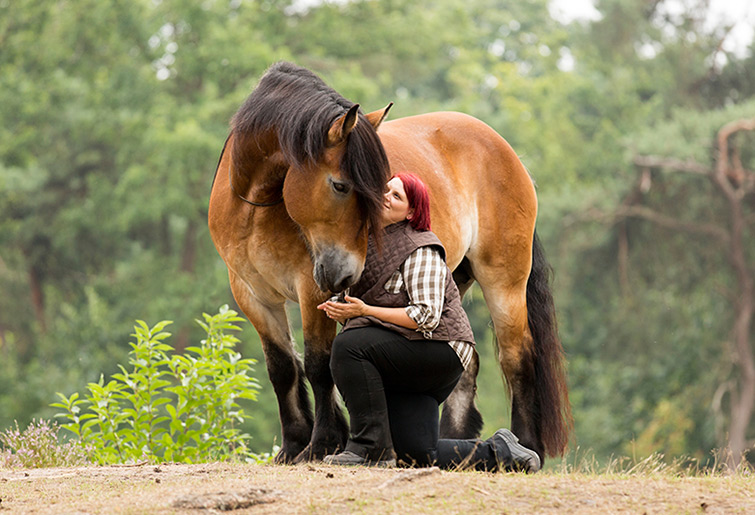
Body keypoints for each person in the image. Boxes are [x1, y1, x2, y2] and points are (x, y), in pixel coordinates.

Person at [318, 172, 540, 472]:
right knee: (416, 453)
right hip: (410, 351)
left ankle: (367, 449)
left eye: (397, 196)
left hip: (440, 350)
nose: (386, 196)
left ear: (411, 212)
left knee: (348, 346)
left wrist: (364, 311)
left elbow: (426, 316)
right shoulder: (368, 242)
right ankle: (502, 452)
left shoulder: (420, 248)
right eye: (385, 190)